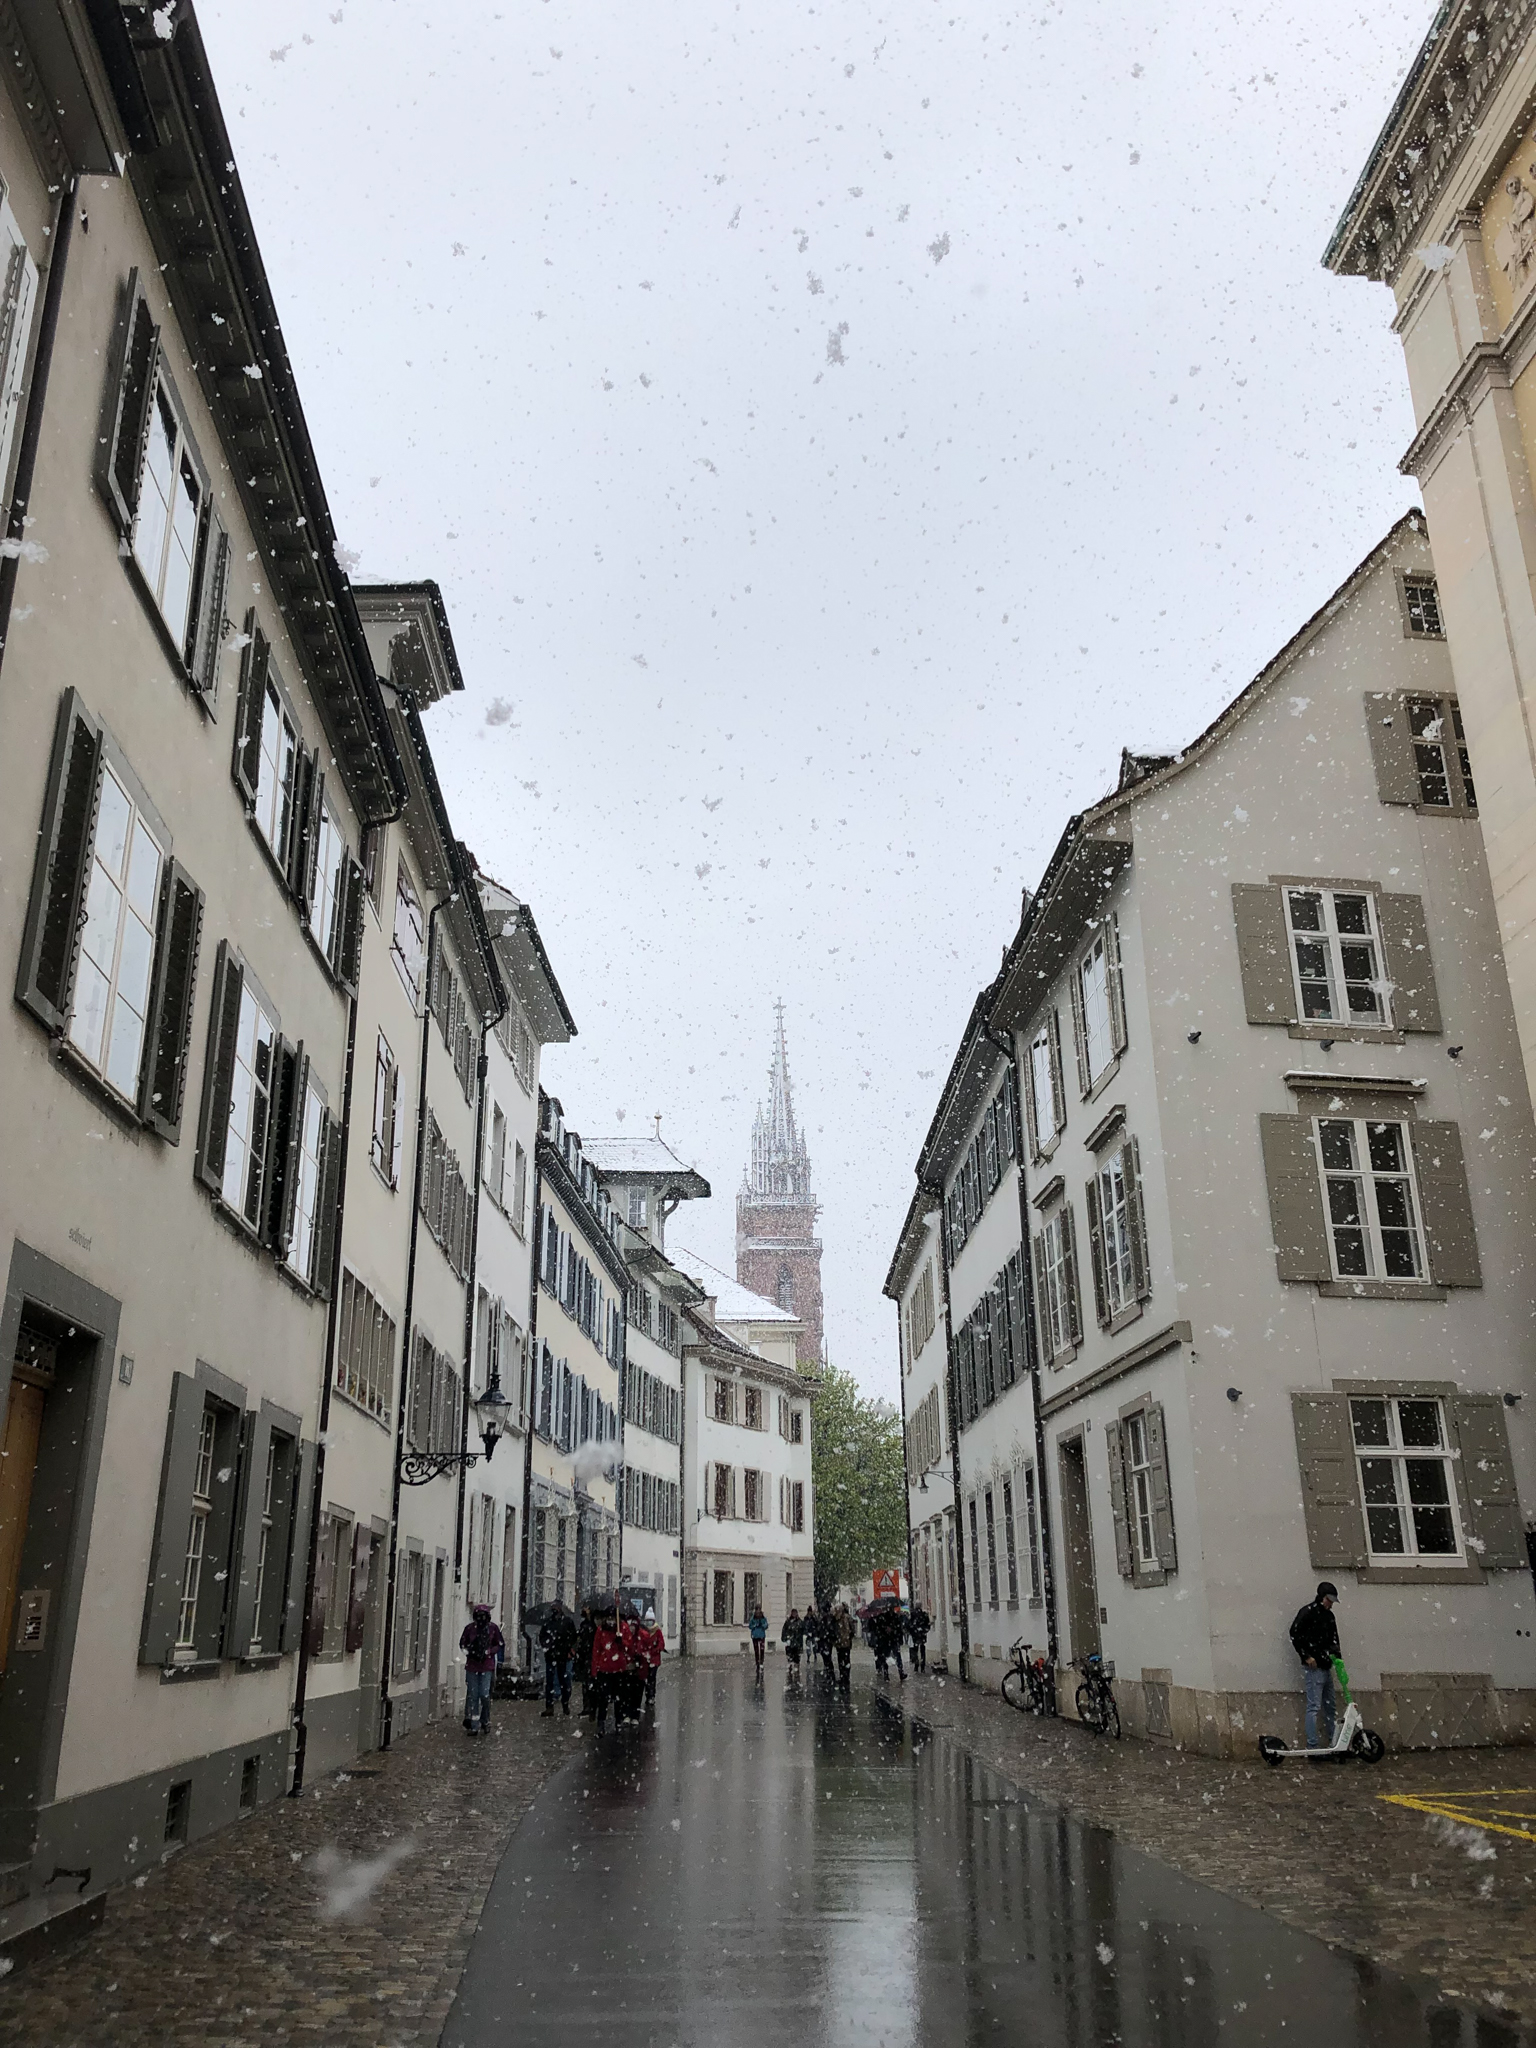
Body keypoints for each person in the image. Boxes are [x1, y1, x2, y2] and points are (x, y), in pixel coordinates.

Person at [1289, 1581, 1342, 1749]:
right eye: (1328, 1600)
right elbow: (1294, 1633)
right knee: (1314, 1706)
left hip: (1326, 1665)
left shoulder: (1329, 1617)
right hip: (1314, 1667)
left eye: (1332, 1601)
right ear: (1321, 1597)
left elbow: (1334, 1640)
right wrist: (1306, 1656)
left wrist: (1337, 1658)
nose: (1330, 1604)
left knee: (1330, 1706)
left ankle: (1334, 1742)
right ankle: (1313, 1745)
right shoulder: (1308, 1612)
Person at [460, 1602, 505, 1736]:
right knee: (473, 1695)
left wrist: (489, 1652)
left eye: (483, 1616)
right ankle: (474, 1725)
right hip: (472, 1666)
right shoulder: (469, 1629)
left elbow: (499, 1644)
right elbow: (462, 1643)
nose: (481, 1619)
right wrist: (470, 1652)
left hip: (487, 1666)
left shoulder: (493, 1628)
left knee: (484, 1695)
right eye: (479, 1616)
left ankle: (485, 1720)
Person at [590, 1607, 630, 1731]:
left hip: (619, 1669)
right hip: (604, 1669)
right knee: (603, 1697)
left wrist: (621, 1642)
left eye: (613, 1618)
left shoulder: (623, 1628)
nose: (611, 1621)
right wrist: (595, 1669)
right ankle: (601, 1722)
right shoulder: (601, 1630)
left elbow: (629, 1647)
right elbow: (596, 1649)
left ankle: (618, 1720)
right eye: (609, 1618)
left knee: (619, 1697)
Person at [539, 1600, 578, 1718]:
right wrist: (547, 1646)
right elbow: (542, 1636)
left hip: (563, 1656)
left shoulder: (567, 1622)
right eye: (553, 1607)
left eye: (556, 1607)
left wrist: (571, 1650)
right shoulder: (548, 1622)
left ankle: (565, 1704)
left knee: (564, 1682)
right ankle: (549, 1707)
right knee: (550, 1682)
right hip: (551, 1656)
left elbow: (573, 1637)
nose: (555, 1609)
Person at [638, 1608, 664, 1707]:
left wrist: (655, 1650)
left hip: (654, 1660)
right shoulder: (642, 1631)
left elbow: (661, 1644)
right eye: (647, 1621)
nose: (649, 1623)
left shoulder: (657, 1631)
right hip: (645, 1659)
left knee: (652, 1678)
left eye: (651, 1621)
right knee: (645, 1678)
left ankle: (651, 1696)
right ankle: (648, 1695)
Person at [575, 1603, 597, 1717]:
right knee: (586, 1683)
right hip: (585, 1656)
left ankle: (592, 1706)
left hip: (593, 1656)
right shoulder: (584, 1624)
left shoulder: (595, 1625)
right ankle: (587, 1706)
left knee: (592, 1683)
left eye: (587, 1607)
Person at [781, 1606, 805, 1685]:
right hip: (790, 1643)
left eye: (795, 1613)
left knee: (797, 1659)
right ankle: (790, 1671)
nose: (794, 1614)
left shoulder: (800, 1622)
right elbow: (784, 1631)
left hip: (797, 1644)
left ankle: (796, 1672)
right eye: (793, 1613)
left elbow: (803, 1630)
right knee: (790, 1658)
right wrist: (785, 1639)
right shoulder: (788, 1622)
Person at [833, 1602, 853, 1689]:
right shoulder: (836, 1619)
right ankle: (843, 1676)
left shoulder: (846, 1618)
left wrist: (848, 1637)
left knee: (845, 1660)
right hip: (840, 1644)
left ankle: (846, 1677)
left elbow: (851, 1629)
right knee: (841, 1660)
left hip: (845, 1643)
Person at [748, 1602, 769, 1676]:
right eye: (757, 1609)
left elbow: (766, 1625)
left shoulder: (763, 1618)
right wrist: (755, 1625)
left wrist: (762, 1625)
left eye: (759, 1609)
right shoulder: (753, 1618)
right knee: (756, 1650)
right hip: (755, 1636)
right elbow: (750, 1626)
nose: (758, 1611)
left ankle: (761, 1662)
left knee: (762, 1649)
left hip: (761, 1635)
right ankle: (757, 1662)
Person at [909, 1602, 930, 1674]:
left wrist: (913, 1632)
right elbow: (927, 1625)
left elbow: (910, 1625)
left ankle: (916, 1665)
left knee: (915, 1650)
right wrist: (924, 1631)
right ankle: (922, 1666)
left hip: (916, 1635)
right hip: (921, 1635)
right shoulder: (924, 1614)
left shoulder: (913, 1614)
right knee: (922, 1650)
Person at [818, 1601, 836, 1683]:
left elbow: (828, 1629)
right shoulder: (827, 1618)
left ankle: (830, 1675)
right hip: (825, 1640)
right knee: (826, 1658)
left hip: (826, 1640)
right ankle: (829, 1674)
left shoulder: (828, 1618)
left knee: (827, 1658)